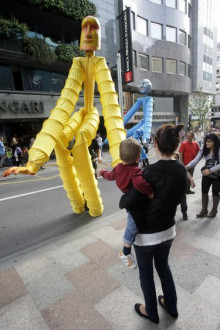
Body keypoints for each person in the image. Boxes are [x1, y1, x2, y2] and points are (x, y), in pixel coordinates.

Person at [119, 124, 186, 324]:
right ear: (176, 145)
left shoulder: (148, 172)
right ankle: (171, 306)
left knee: (146, 273)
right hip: (168, 230)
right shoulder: (181, 170)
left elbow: (127, 202)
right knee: (164, 267)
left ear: (154, 144)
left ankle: (151, 311)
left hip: (146, 235)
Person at [98, 138, 154, 269]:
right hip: (135, 202)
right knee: (132, 225)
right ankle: (125, 252)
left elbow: (110, 176)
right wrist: (150, 191)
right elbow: (140, 184)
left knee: (134, 222)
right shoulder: (134, 170)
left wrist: (102, 172)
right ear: (138, 158)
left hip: (128, 198)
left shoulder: (118, 168)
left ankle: (131, 245)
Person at [186, 133, 220, 218]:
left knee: (215, 192)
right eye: (206, 142)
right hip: (206, 174)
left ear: (214, 142)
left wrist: (210, 170)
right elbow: (195, 160)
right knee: (204, 191)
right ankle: (204, 210)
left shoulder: (219, 150)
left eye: (209, 141)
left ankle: (214, 210)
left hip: (217, 175)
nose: (207, 143)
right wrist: (187, 166)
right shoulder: (204, 149)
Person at [172, 152, 195, 220]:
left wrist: (191, 180)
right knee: (173, 203)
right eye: (173, 156)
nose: (174, 158)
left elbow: (186, 172)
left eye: (176, 157)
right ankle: (172, 215)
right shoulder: (168, 166)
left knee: (183, 202)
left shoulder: (180, 165)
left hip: (181, 188)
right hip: (172, 189)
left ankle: (184, 212)